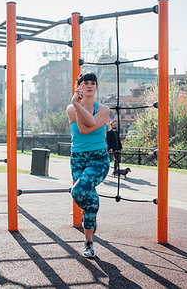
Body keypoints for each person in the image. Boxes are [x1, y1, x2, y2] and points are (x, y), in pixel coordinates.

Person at [66, 71, 110, 259]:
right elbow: (84, 128)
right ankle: (88, 242)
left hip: (98, 159)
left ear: (96, 87)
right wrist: (75, 105)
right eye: (85, 83)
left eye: (93, 83)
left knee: (78, 192)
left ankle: (88, 239)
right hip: (78, 159)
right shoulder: (70, 109)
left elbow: (87, 126)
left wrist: (78, 103)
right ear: (79, 86)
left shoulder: (104, 110)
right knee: (91, 203)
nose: (90, 86)